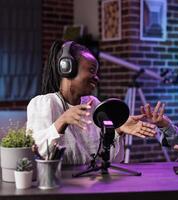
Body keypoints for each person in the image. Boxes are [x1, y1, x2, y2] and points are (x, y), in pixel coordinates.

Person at [26, 40, 156, 165]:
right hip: (60, 184)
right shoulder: (44, 104)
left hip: (92, 185)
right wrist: (62, 121)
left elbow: (108, 161)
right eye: (92, 70)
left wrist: (117, 131)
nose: (97, 77)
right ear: (68, 68)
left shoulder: (93, 104)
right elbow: (35, 153)